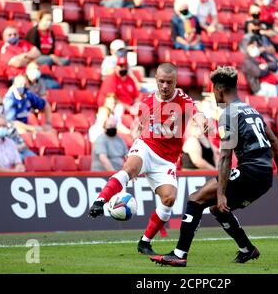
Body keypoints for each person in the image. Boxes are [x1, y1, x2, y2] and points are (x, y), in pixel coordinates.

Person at [150, 66, 278, 267]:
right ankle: (247, 249)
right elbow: (275, 143)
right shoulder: (251, 110)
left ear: (219, 89)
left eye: (213, 90)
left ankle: (179, 254)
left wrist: (221, 192)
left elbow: (225, 157)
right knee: (218, 210)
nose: (213, 94)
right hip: (265, 177)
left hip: (250, 172)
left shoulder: (228, 114)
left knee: (195, 200)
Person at [89, 62, 208, 256]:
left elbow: (198, 114)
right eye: (161, 81)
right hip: (146, 146)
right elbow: (140, 129)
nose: (165, 86)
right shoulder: (147, 102)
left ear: (176, 82)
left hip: (167, 159)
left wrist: (201, 121)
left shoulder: (184, 100)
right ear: (156, 81)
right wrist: (135, 156)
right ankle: (100, 201)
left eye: (169, 82)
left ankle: (145, 242)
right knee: (129, 170)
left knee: (169, 199)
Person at [0, 95, 36, 161]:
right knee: (20, 159)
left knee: (34, 159)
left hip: (18, 149)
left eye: (0, 104)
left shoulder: (8, 122)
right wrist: (11, 148)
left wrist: (21, 145)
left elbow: (19, 139)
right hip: (0, 152)